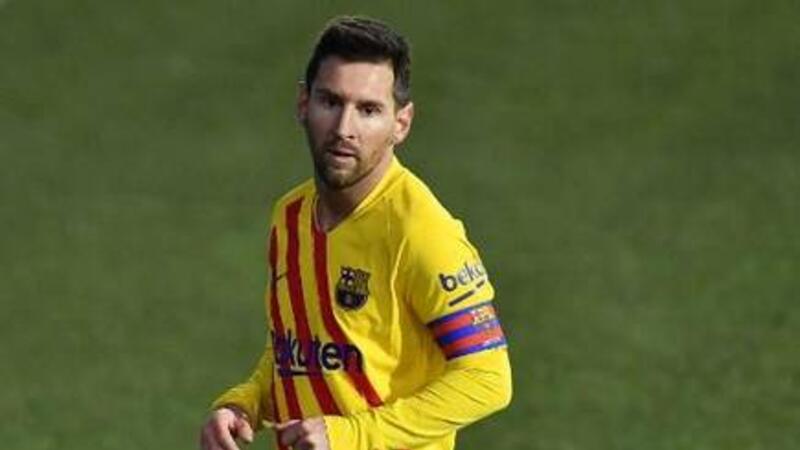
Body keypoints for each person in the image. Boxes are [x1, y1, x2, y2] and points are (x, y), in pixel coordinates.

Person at [199, 15, 512, 450]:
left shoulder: (421, 231)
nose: (344, 128)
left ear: (401, 123)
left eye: (368, 110)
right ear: (303, 103)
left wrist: (352, 435)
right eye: (331, 101)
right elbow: (299, 351)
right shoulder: (290, 217)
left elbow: (488, 378)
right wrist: (245, 404)